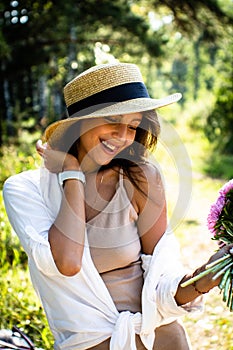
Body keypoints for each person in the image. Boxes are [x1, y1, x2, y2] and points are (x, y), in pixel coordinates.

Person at [3, 62, 233, 350]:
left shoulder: (140, 178)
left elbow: (162, 283)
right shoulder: (24, 190)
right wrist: (71, 173)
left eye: (133, 126)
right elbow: (68, 263)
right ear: (79, 123)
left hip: (160, 340)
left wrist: (206, 276)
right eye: (112, 120)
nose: (123, 137)